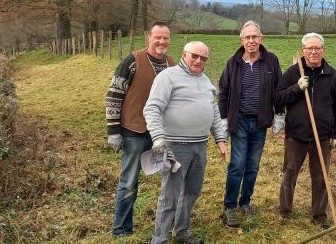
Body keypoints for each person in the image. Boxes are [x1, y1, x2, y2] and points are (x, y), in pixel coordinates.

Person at [144, 41, 228, 244]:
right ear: (184, 54)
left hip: (200, 146)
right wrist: (157, 138)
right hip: (173, 146)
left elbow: (214, 111)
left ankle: (181, 232)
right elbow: (152, 108)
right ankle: (160, 238)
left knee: (191, 191)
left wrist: (220, 138)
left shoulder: (206, 81)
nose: (199, 61)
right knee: (170, 195)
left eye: (203, 58)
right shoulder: (168, 76)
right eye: (194, 56)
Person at [105, 21, 173, 237]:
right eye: (158, 37)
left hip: (161, 135)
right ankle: (121, 229)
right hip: (134, 131)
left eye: (166, 38)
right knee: (129, 183)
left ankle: (165, 227)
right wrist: (113, 131)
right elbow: (114, 95)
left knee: (168, 180)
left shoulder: (172, 64)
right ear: (148, 37)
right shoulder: (132, 61)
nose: (162, 41)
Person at [274, 32, 336, 230]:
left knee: (321, 176)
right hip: (296, 135)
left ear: (323, 50)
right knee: (289, 173)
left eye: (317, 48)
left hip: (322, 137)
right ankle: (285, 210)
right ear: (303, 51)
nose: (313, 52)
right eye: (309, 48)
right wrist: (296, 88)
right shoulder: (292, 72)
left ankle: (319, 214)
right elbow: (278, 98)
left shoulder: (331, 75)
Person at [218, 21, 283, 227]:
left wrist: (279, 115)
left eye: (255, 37)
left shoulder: (271, 60)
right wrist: (223, 119)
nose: (251, 41)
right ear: (241, 40)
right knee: (237, 164)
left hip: (261, 121)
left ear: (261, 38)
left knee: (253, 166)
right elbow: (224, 92)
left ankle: (245, 202)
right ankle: (230, 206)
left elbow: (279, 91)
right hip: (241, 120)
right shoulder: (233, 62)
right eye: (247, 37)